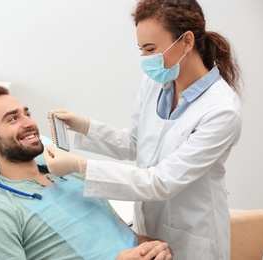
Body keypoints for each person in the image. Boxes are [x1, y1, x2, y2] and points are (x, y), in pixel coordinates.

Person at [44, 0, 242, 259]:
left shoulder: (222, 110)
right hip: (147, 227)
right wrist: (86, 127)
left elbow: (161, 182)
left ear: (187, 41)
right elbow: (136, 142)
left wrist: (81, 168)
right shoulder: (157, 83)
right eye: (141, 50)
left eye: (151, 49)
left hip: (193, 236)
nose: (145, 60)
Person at [0, 86, 173, 260]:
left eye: (26, 114)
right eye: (12, 119)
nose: (29, 123)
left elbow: (130, 237)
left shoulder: (71, 176)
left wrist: (154, 248)